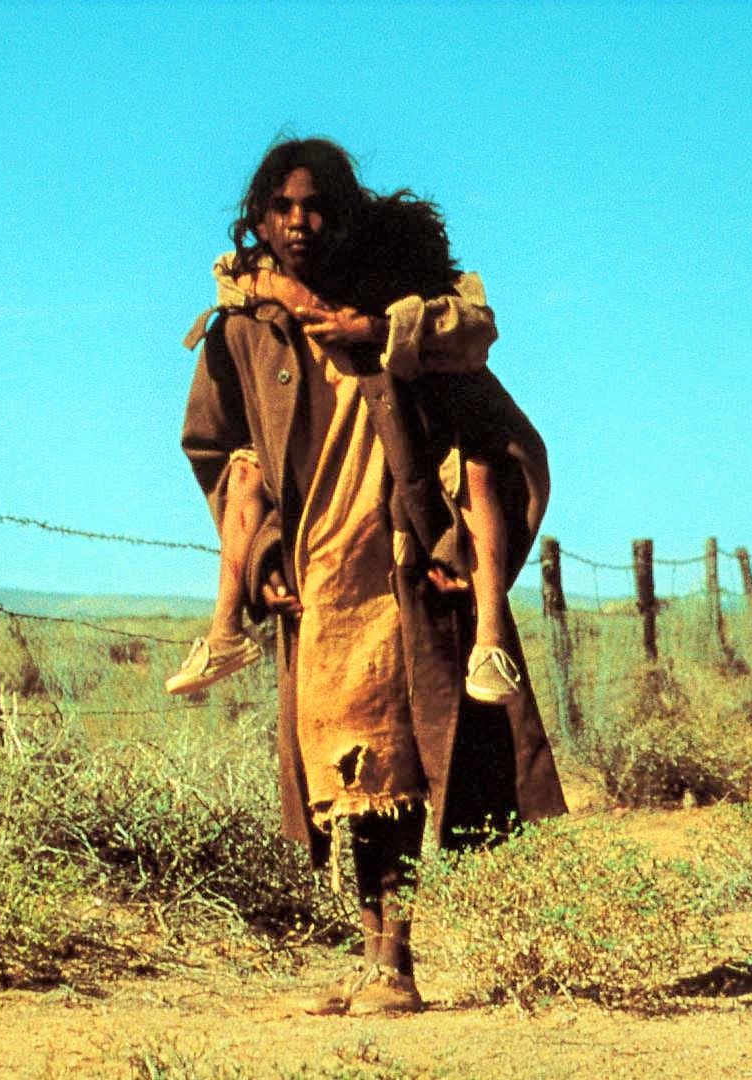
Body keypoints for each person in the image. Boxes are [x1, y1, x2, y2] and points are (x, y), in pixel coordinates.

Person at [180, 137, 568, 1016]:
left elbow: (477, 359)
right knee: (340, 782)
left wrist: (378, 333)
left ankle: (397, 962)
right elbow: (223, 450)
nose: (299, 221)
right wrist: (264, 558)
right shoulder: (242, 329)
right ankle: (370, 954)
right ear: (259, 217)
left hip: (397, 564)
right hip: (316, 577)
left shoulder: (407, 311)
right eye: (281, 206)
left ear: (347, 213)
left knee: (400, 767)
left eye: (315, 205)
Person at [164, 192, 532, 706]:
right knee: (246, 470)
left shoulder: (425, 308)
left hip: (419, 483)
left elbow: (472, 329)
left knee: (477, 470)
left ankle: (489, 639)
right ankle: (225, 631)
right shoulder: (269, 314)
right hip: (323, 536)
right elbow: (230, 274)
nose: (299, 225)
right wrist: (289, 294)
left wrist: (377, 330)